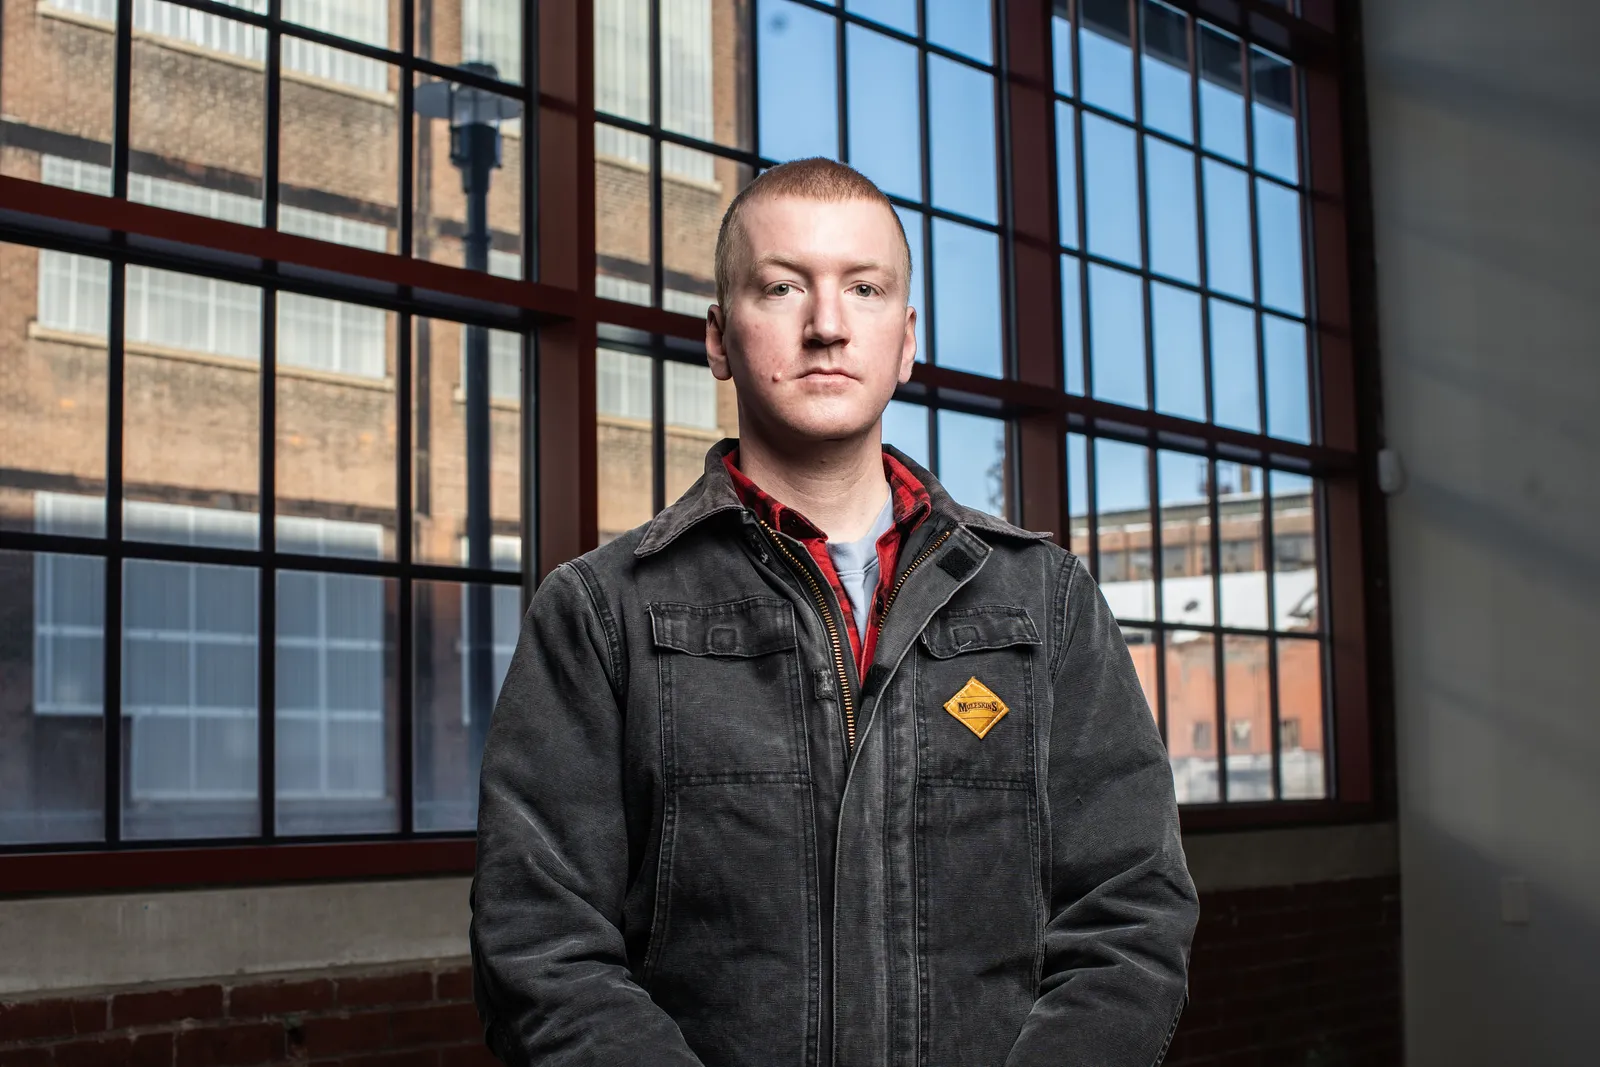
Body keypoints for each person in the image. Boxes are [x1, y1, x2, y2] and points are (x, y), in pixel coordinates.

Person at [470, 158, 1198, 1067]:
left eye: (864, 287)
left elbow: (1131, 910)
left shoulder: (1043, 601)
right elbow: (540, 944)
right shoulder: (600, 613)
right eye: (781, 287)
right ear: (719, 338)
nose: (826, 325)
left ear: (906, 337)